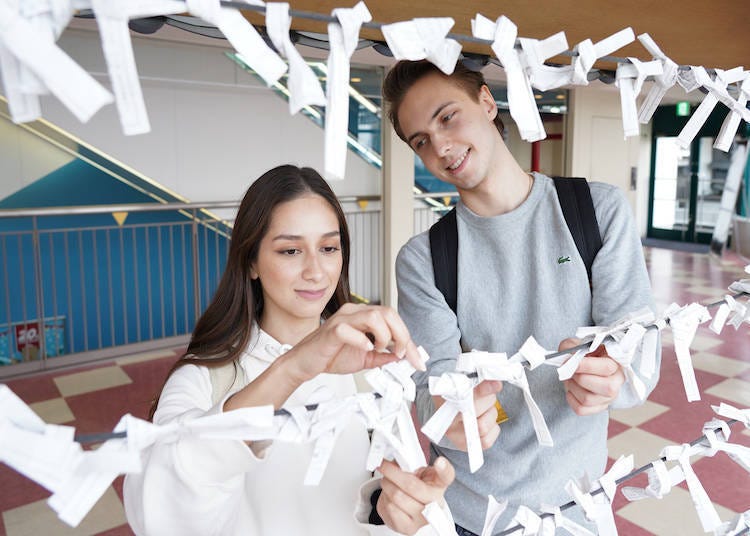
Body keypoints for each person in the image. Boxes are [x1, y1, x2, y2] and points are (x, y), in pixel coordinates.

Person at [382, 60, 660, 533]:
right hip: (469, 514)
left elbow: (639, 364)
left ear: (487, 102)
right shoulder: (423, 259)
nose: (441, 147)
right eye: (421, 141)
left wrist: (612, 375)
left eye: (447, 117)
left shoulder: (597, 211)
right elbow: (432, 392)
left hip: (576, 510)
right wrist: (455, 413)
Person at [123, 165, 455, 536]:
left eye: (328, 248)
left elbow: (384, 493)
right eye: (291, 250)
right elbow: (159, 510)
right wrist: (293, 367)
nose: (316, 271)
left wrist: (397, 506)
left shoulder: (370, 372)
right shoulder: (202, 379)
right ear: (251, 261)